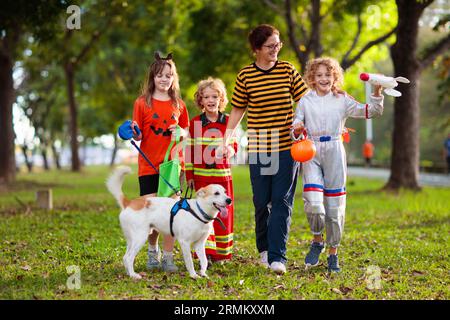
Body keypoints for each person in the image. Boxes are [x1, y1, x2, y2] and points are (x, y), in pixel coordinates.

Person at [220, 24, 308, 274]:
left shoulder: (287, 69)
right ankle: (264, 250)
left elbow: (304, 99)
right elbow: (238, 109)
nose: (276, 49)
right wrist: (227, 137)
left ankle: (278, 255)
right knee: (261, 201)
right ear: (257, 49)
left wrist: (303, 122)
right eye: (270, 46)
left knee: (282, 200)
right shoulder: (246, 75)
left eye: (278, 44)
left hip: (286, 145)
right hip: (260, 146)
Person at [291, 57, 384, 272]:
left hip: (334, 150)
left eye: (328, 75)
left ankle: (333, 253)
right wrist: (296, 128)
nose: (324, 79)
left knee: (334, 208)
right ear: (312, 78)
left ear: (335, 77)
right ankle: (317, 241)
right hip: (311, 150)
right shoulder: (305, 100)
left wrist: (377, 93)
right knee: (313, 203)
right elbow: (296, 123)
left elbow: (371, 111)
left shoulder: (342, 99)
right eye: (319, 75)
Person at [130, 52, 189, 272]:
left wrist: (182, 132)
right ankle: (152, 251)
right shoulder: (141, 103)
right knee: (153, 214)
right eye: (160, 75)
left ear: (174, 78)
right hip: (148, 166)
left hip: (172, 166)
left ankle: (168, 256)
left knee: (171, 213)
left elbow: (188, 134)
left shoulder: (179, 105)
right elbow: (137, 134)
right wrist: (132, 132)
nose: (164, 80)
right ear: (152, 78)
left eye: (168, 75)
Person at [185, 77, 237, 263]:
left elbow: (234, 144)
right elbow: (189, 151)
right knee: (202, 215)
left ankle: (221, 254)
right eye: (206, 97)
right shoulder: (195, 123)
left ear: (221, 98)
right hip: (202, 179)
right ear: (201, 100)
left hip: (222, 178)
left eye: (215, 96)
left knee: (224, 213)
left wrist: (231, 149)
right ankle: (204, 252)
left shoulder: (229, 121)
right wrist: (189, 175)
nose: (211, 100)